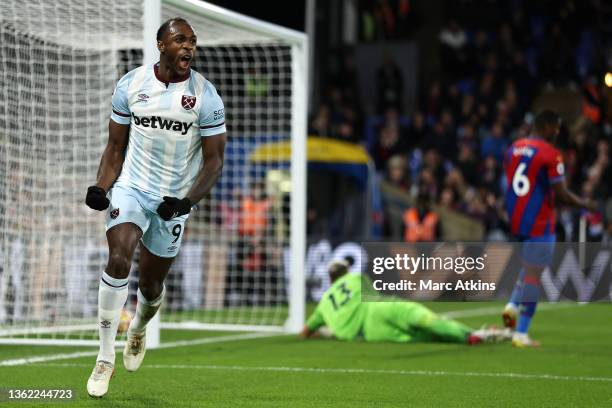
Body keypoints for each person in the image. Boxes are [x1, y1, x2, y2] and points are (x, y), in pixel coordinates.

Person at [84, 17, 226, 397]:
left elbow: (214, 161)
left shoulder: (206, 96)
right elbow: (115, 147)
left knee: (151, 284)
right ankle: (104, 357)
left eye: (193, 42)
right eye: (181, 40)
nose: (188, 47)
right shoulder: (131, 84)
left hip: (173, 202)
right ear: (161, 45)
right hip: (132, 187)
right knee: (118, 258)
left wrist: (186, 202)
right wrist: (102, 187)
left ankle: (139, 328)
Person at [502, 110, 594, 347]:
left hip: (517, 219)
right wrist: (584, 203)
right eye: (556, 128)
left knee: (529, 266)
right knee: (534, 275)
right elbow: (562, 195)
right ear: (548, 126)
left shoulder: (513, 148)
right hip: (541, 222)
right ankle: (521, 333)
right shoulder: (551, 154)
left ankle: (512, 305)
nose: (557, 133)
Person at [300, 260, 508, 345]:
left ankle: (472, 338)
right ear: (345, 271)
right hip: (379, 309)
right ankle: (471, 335)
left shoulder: (323, 304)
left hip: (369, 334)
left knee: (423, 336)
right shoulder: (355, 278)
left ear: (330, 279)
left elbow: (305, 332)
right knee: (426, 320)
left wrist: (332, 331)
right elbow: (372, 296)